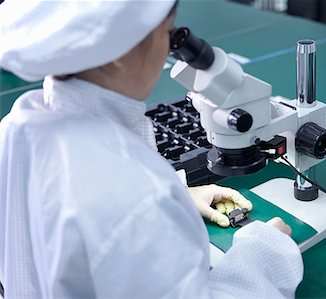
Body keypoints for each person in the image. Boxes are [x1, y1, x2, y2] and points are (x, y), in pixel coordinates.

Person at [0, 1, 303, 298]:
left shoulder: (18, 126)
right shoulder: (137, 199)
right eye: (167, 34)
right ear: (121, 48)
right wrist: (264, 251)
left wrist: (176, 196)